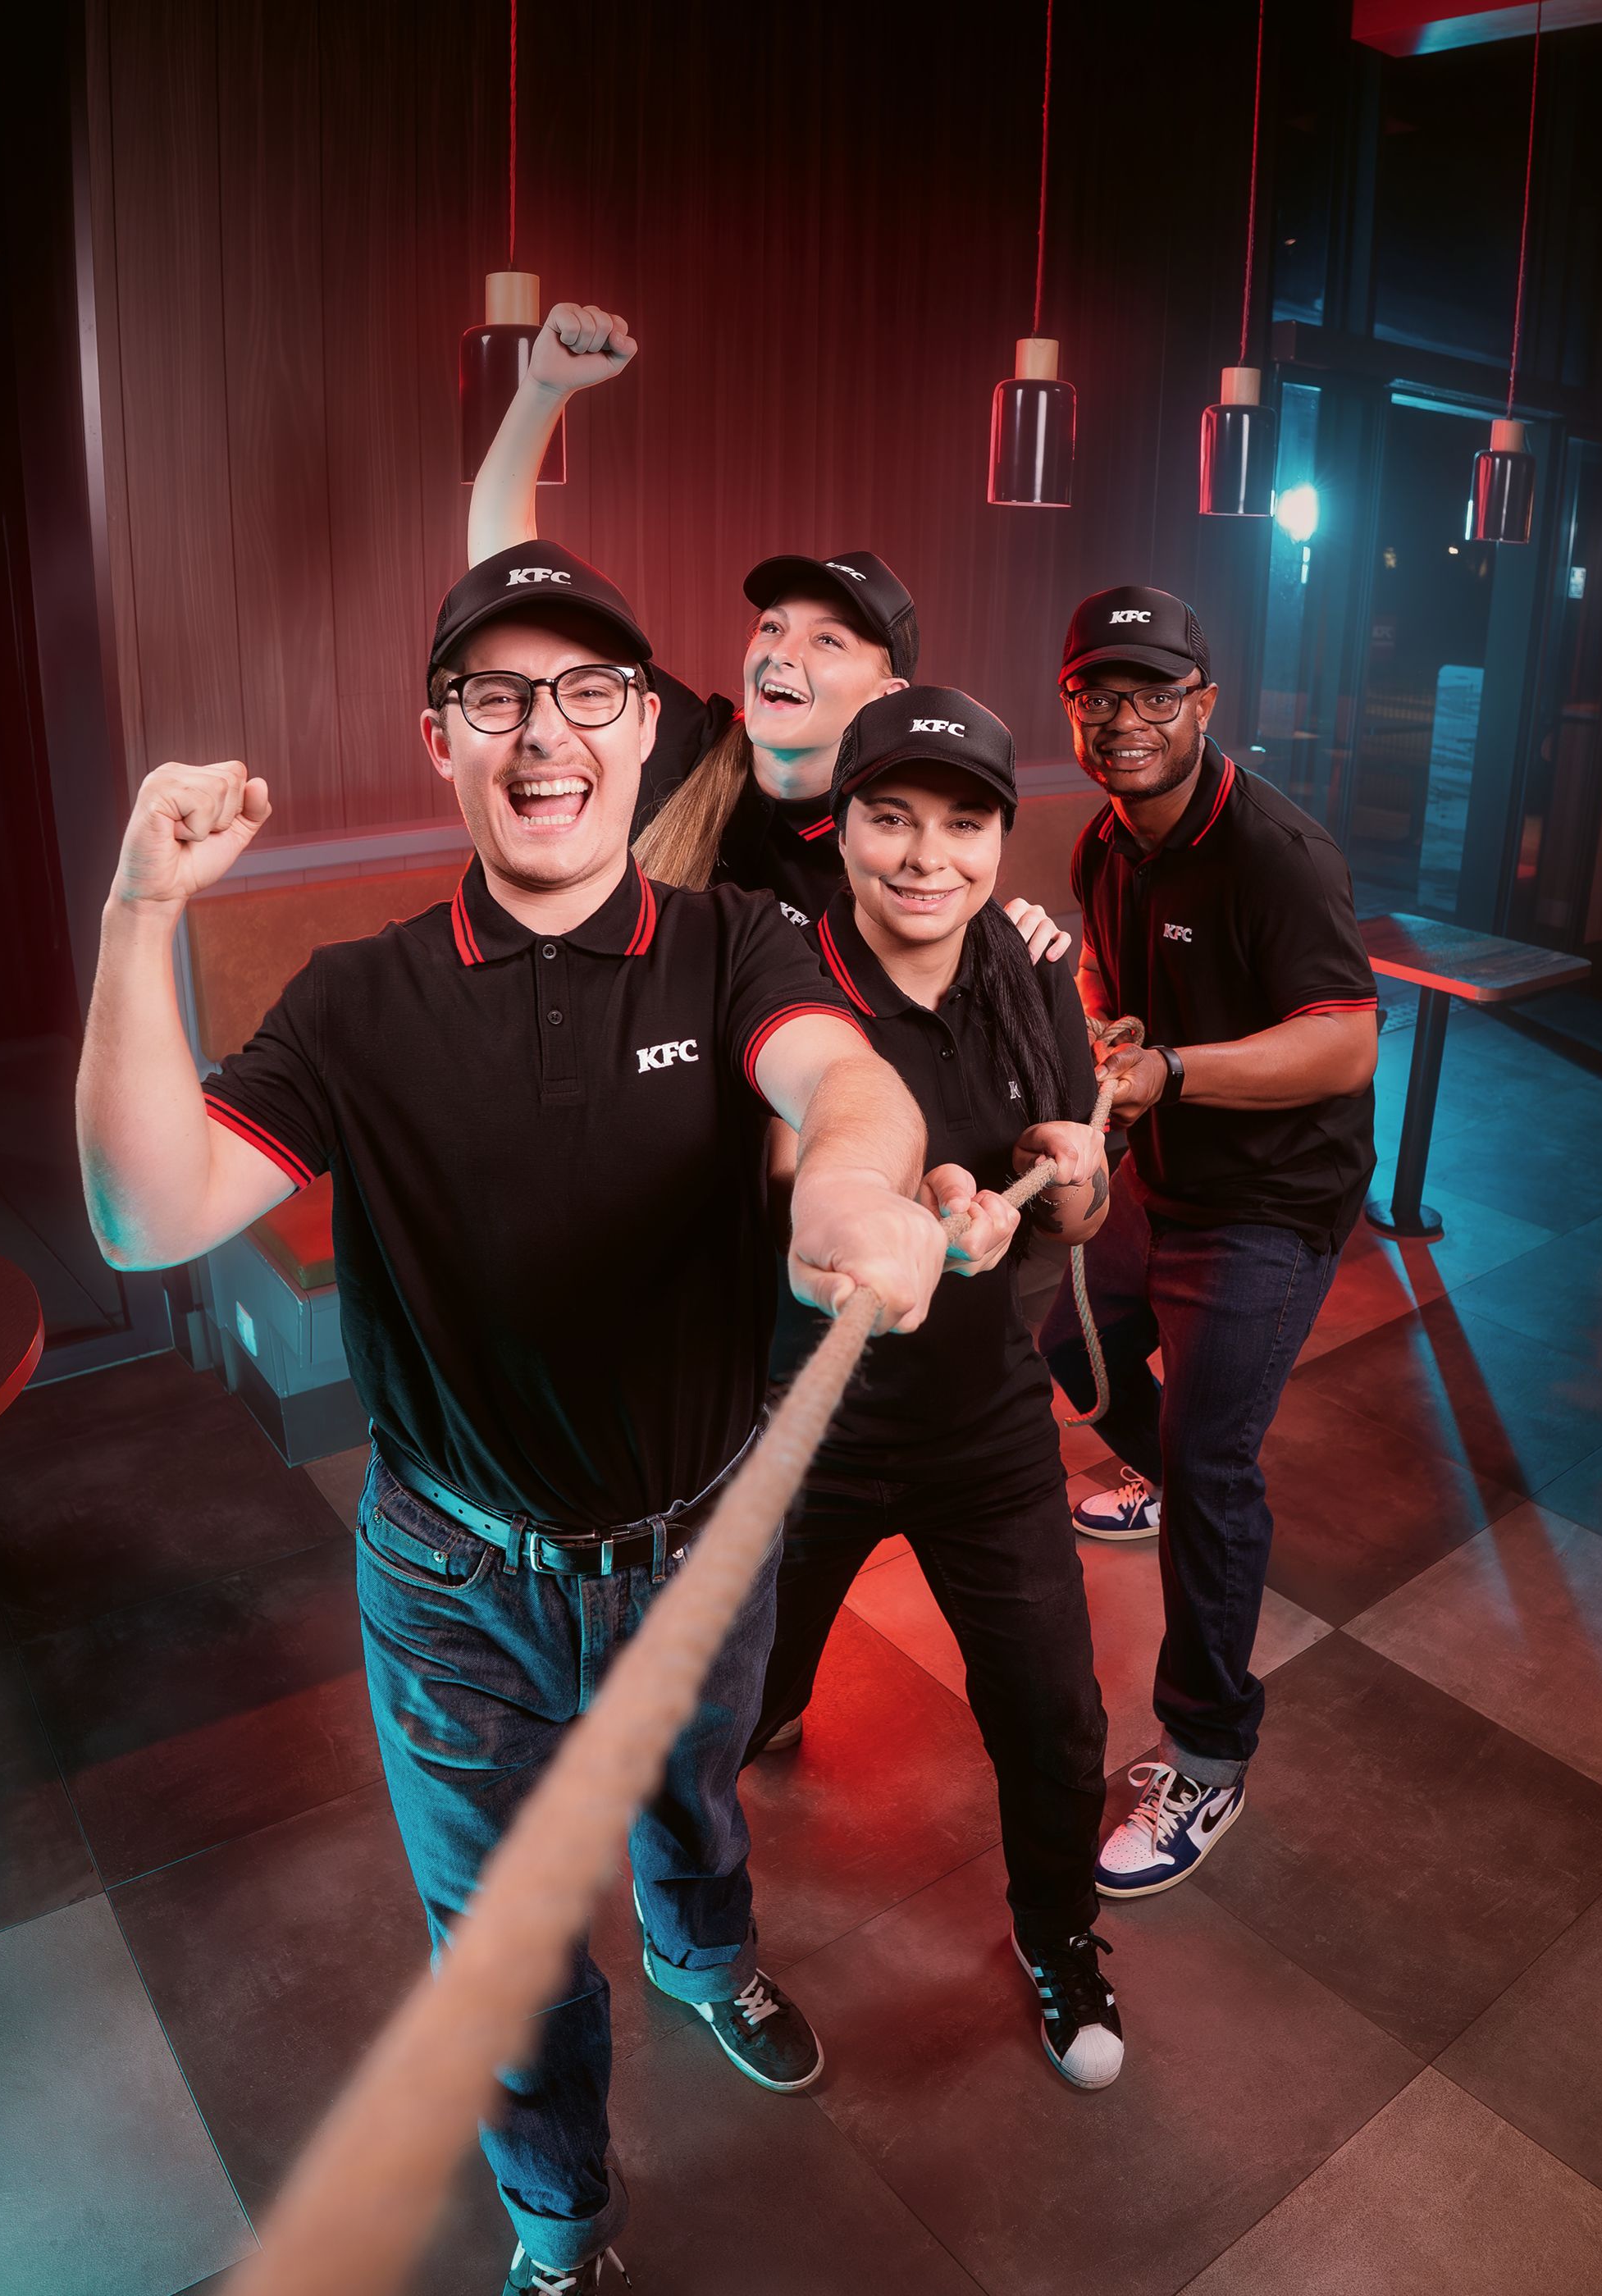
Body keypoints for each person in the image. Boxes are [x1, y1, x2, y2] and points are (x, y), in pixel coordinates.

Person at [75, 541, 947, 2296]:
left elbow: (840, 1077)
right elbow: (140, 1212)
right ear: (439, 742)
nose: (541, 734)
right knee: (503, 1945)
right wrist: (140, 911)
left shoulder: (733, 943)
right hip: (454, 1577)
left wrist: (857, 1183)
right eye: (495, 699)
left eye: (583, 695)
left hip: (695, 1542)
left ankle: (704, 1957)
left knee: (695, 1801)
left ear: (645, 733)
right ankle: (562, 2218)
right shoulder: (356, 999)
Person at [747, 685, 1127, 2090]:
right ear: (836, 830)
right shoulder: (774, 984)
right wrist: (881, 1204)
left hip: (985, 1427)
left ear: (998, 836)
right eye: (889, 818)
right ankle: (706, 1939)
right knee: (737, 1704)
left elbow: (1079, 1203)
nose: (926, 855)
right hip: (807, 1432)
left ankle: (1060, 1938)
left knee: (1053, 1709)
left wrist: (1078, 1180)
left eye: (963, 822)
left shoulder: (1028, 969)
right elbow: (789, 1169)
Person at [1039, 585, 1378, 1900]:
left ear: (1204, 702)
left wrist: (1169, 1071)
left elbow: (1344, 1037)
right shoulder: (1103, 843)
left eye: (1151, 693)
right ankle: (1167, 1467)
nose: (1124, 719)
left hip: (1270, 1203)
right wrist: (1101, 1028)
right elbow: (1102, 982)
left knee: (1215, 1464)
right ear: (1072, 705)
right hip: (1164, 1175)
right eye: (1097, 694)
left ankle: (1210, 1753)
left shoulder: (1273, 852)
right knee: (1065, 1324)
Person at [465, 301, 1073, 963]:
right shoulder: (680, 746)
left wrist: (1015, 954)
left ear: (886, 697)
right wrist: (542, 391)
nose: (780, 653)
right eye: (772, 627)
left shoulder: (884, 853)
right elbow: (510, 583)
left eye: (827, 640)